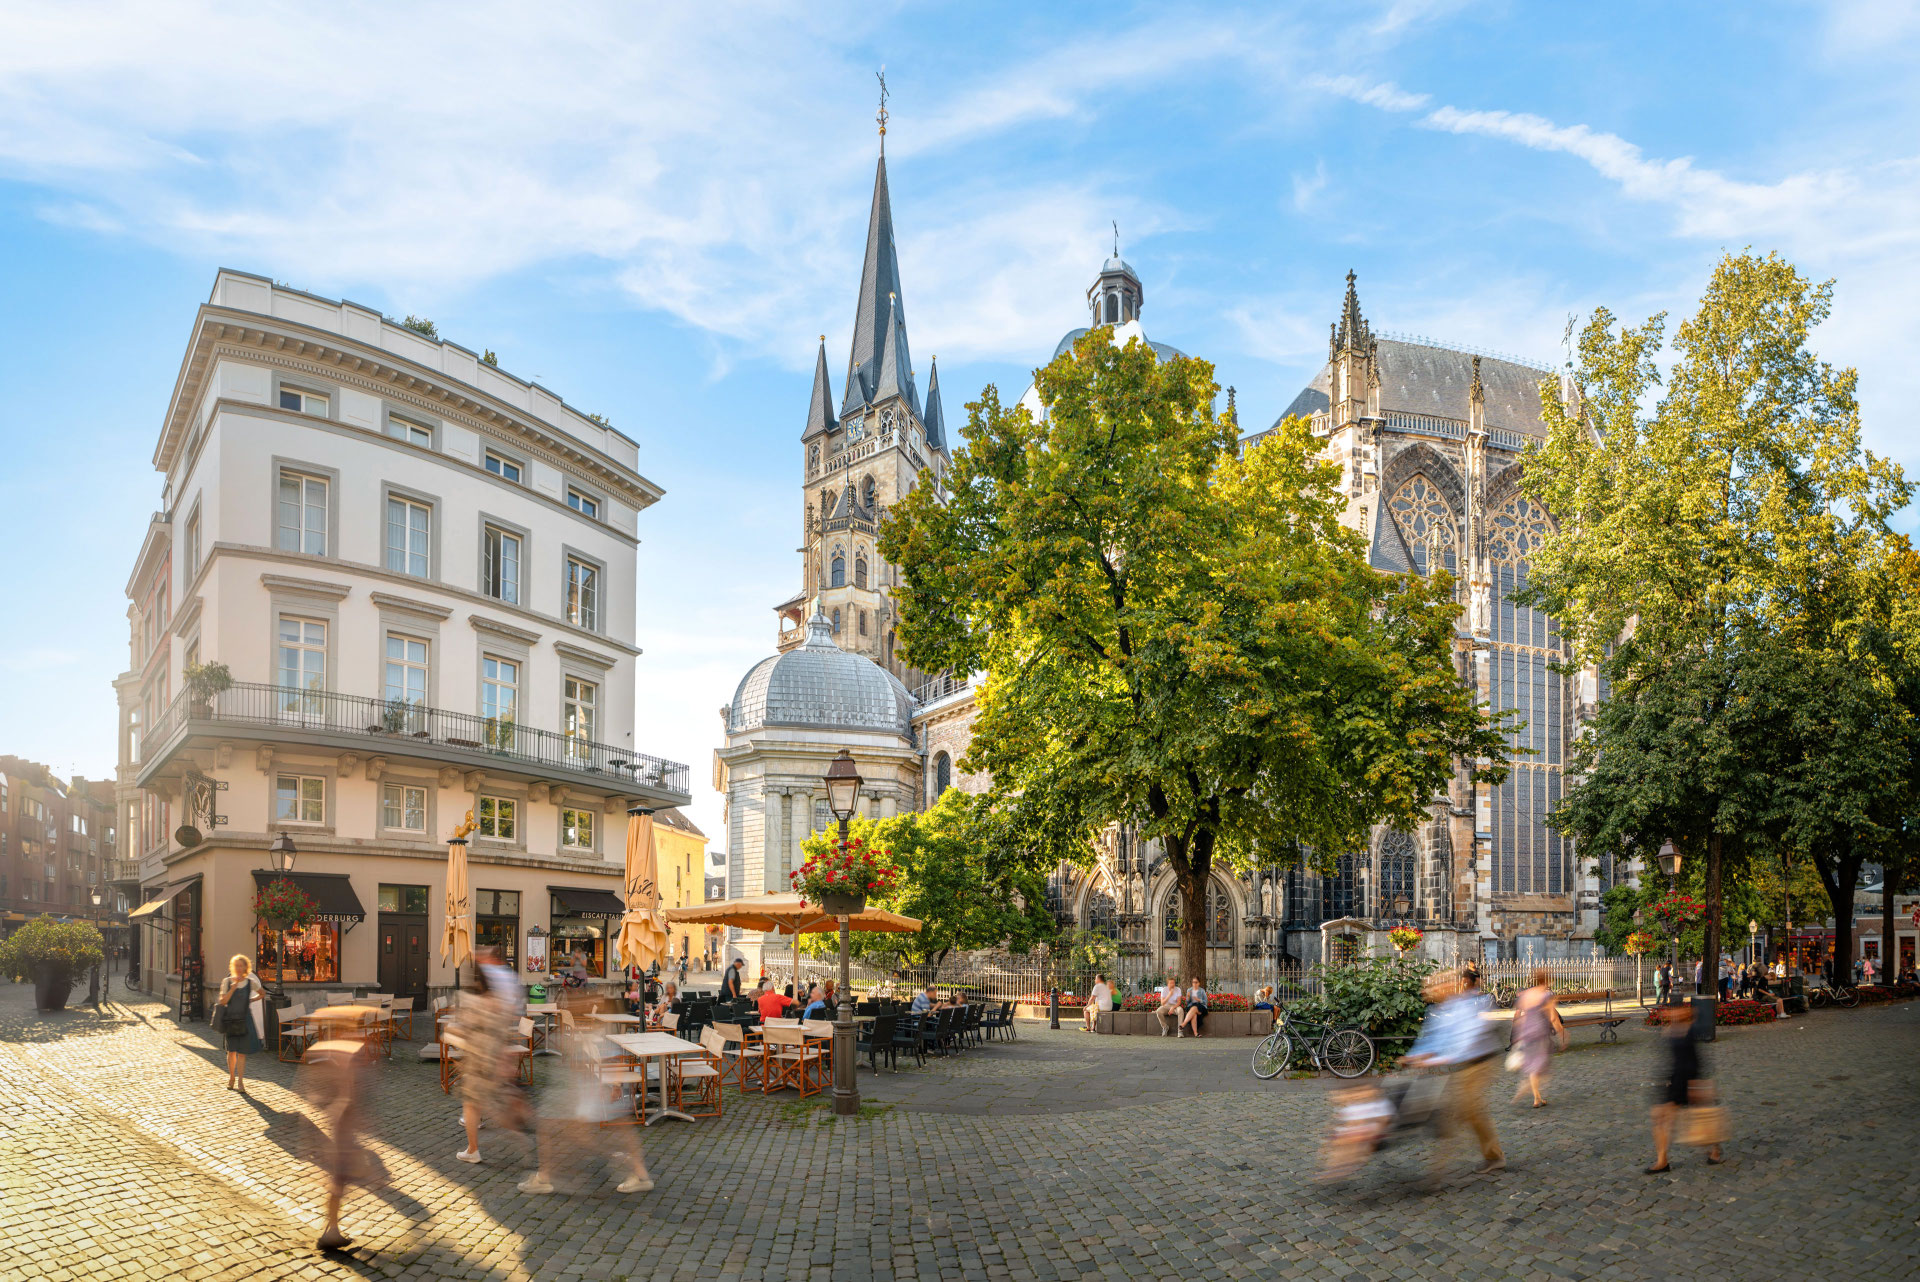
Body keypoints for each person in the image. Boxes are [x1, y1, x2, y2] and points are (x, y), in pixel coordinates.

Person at [518, 1025, 653, 1196]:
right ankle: (637, 1172)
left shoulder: (600, 1032)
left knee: (580, 1135)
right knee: (558, 1129)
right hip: (588, 1088)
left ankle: (630, 1166)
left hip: (595, 1090)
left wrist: (615, 1086)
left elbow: (617, 1059)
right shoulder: (590, 1032)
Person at [1405, 966, 1505, 1176]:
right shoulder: (1438, 1011)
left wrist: (1434, 1060)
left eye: (1437, 986)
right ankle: (1481, 1155)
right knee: (1462, 1112)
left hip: (1480, 1062)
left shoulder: (1469, 1005)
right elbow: (1430, 1039)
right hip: (1461, 1066)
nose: (1431, 992)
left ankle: (1444, 1167)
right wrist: (1415, 1055)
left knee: (1469, 1110)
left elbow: (1465, 1044)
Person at [306, 1032, 375, 1251]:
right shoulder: (335, 1057)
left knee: (340, 1180)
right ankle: (330, 1232)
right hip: (340, 1131)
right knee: (338, 1180)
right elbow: (335, 1096)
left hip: (345, 1130)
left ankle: (332, 1230)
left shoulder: (343, 1056)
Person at [454, 947, 523, 1165]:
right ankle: (521, 1134)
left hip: (477, 1060)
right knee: (493, 1100)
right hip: (494, 1056)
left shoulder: (470, 1001)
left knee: (472, 1103)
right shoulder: (498, 1000)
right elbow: (506, 1024)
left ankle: (473, 1149)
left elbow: (462, 1029)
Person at [1647, 1000, 1722, 1172]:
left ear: (1686, 1013)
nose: (1672, 1013)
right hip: (1673, 1080)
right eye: (1670, 1011)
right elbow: (1668, 1060)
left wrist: (1697, 1086)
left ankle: (1715, 1148)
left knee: (1701, 1121)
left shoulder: (1690, 1030)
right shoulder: (1668, 1031)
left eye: (1677, 1010)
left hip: (1689, 1081)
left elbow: (1696, 1061)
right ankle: (1662, 1160)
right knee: (1659, 1118)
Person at [1509, 969, 1565, 1109]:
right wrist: (1562, 1034)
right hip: (1540, 1033)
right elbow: (1553, 1018)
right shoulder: (1545, 996)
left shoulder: (1527, 994)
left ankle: (1536, 1098)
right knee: (1541, 1065)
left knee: (1533, 1065)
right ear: (1546, 980)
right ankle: (1526, 1090)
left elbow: (1518, 1016)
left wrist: (1517, 1034)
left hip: (1527, 1033)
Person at [213, 954, 266, 1092]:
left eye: (241, 965)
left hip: (245, 1019)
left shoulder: (250, 982)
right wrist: (233, 988)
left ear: (245, 968)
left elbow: (262, 993)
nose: (238, 968)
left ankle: (241, 1082)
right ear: (233, 967)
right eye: (236, 965)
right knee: (231, 1052)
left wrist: (252, 1000)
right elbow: (223, 1001)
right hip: (231, 1019)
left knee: (242, 1053)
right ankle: (232, 1078)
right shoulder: (227, 981)